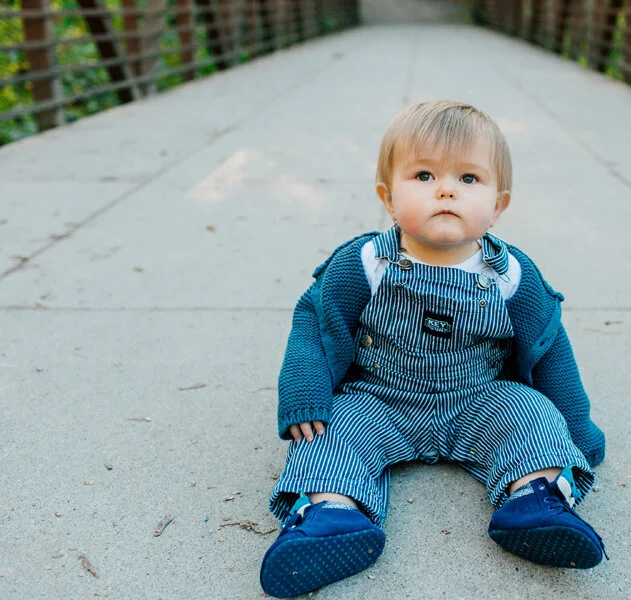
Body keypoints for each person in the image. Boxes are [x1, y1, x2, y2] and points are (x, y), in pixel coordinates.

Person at [259, 100, 608, 598]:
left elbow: (549, 346)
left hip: (478, 398)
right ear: (388, 197)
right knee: (326, 434)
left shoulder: (511, 276)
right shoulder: (366, 264)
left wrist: (577, 426)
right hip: (378, 399)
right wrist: (304, 391)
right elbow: (315, 322)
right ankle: (330, 516)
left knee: (533, 416)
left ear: (498, 205)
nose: (446, 190)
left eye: (468, 178)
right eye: (424, 176)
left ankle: (535, 501)